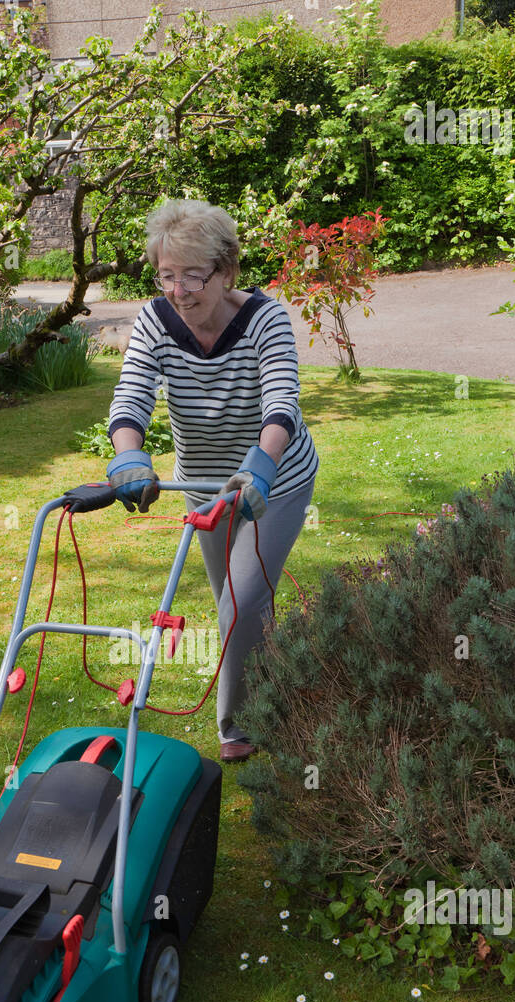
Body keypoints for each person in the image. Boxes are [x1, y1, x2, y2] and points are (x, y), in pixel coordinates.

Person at [106, 197, 319, 763]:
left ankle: (238, 726)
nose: (179, 290)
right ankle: (279, 680)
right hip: (201, 487)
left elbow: (282, 400)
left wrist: (262, 464)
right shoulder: (157, 320)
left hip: (275, 480)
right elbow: (131, 396)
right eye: (167, 275)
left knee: (240, 602)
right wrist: (129, 457)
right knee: (243, 600)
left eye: (193, 276)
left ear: (226, 272)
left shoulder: (265, 319)